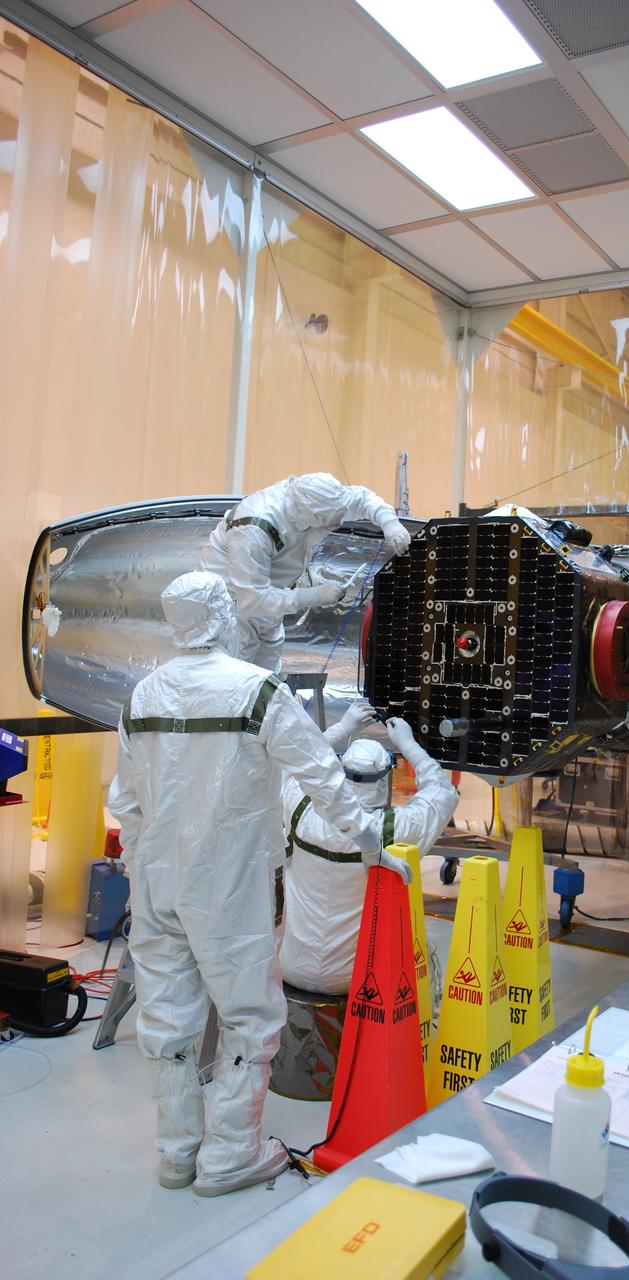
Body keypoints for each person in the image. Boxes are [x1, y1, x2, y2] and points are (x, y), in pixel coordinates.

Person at [107, 572, 411, 1197]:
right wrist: (373, 845)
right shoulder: (257, 692)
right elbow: (324, 779)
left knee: (167, 1019)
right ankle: (229, 1157)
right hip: (233, 885)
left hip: (159, 884)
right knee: (249, 1018)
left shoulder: (141, 697)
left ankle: (177, 1154)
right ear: (223, 618)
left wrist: (143, 874)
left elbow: (127, 805)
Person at [281, 716, 458, 995]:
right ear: (384, 778)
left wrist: (344, 726)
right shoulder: (394, 830)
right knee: (422, 950)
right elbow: (443, 793)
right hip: (356, 978)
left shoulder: (300, 809)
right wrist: (409, 745)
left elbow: (295, 760)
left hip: (290, 964)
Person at [197, 471, 411, 668]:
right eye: (330, 522)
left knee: (267, 683)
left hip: (270, 603)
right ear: (310, 516)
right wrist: (314, 595)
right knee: (237, 682)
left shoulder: (322, 498)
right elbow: (252, 598)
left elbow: (363, 499)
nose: (337, 524)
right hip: (231, 609)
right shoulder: (255, 529)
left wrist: (389, 523)